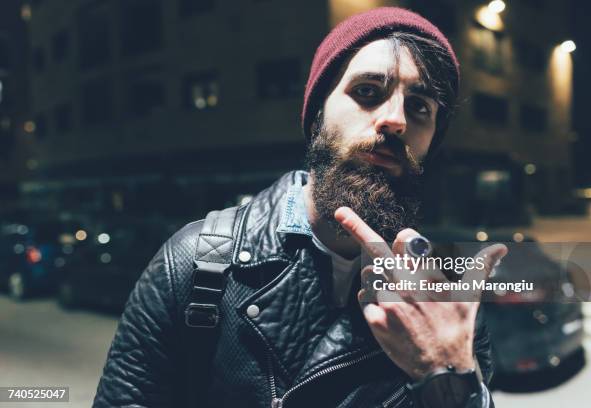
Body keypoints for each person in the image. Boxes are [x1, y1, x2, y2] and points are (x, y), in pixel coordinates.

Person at [94, 7, 507, 408]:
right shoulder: (194, 263)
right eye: (367, 92)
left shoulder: (446, 298)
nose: (396, 120)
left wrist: (445, 377)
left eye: (420, 106)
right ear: (316, 116)